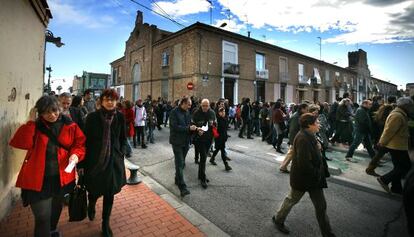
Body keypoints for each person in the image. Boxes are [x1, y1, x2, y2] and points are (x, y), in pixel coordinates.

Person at [9, 95, 85, 237]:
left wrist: (76, 154)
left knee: (55, 211)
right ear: (40, 112)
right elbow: (20, 143)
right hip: (38, 181)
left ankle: (52, 231)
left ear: (60, 109)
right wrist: (31, 122)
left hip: (62, 178)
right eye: (46, 112)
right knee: (42, 218)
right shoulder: (35, 126)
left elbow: (79, 144)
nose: (52, 115)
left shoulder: (70, 125)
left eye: (55, 110)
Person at [273, 113, 335, 237]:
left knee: (321, 207)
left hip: (314, 180)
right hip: (303, 178)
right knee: (291, 200)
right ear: (309, 125)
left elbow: (314, 154)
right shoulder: (302, 138)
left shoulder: (311, 135)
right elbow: (304, 163)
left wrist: (319, 149)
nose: (319, 124)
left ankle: (327, 233)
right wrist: (317, 173)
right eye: (317, 122)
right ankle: (278, 219)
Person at [77, 89, 127, 237]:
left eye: (113, 99)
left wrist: (121, 152)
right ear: (102, 101)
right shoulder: (92, 117)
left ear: (116, 101)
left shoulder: (120, 117)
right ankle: (91, 203)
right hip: (95, 162)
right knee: (93, 190)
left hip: (113, 162)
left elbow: (123, 138)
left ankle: (105, 223)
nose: (110, 102)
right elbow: (84, 141)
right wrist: (81, 164)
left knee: (109, 192)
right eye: (107, 99)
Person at [377, 97, 413, 194]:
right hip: (396, 146)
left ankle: (396, 188)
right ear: (405, 106)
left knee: (398, 167)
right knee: (406, 166)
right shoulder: (397, 115)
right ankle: (384, 179)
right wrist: (382, 142)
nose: (411, 108)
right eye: (410, 106)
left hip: (398, 145)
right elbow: (389, 131)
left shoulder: (401, 114)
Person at [169, 96, 197, 197]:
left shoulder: (187, 112)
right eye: (188, 104)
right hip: (177, 142)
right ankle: (182, 187)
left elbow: (189, 124)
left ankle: (177, 179)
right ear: (183, 103)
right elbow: (175, 127)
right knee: (179, 163)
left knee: (182, 162)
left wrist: (194, 128)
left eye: (190, 104)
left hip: (186, 142)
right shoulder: (174, 112)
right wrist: (188, 128)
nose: (190, 106)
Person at [192, 99, 216, 189]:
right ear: (200, 105)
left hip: (209, 139)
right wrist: (197, 130)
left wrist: (214, 136)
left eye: (206, 105)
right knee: (203, 158)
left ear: (209, 105)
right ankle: (203, 178)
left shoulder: (212, 113)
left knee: (204, 157)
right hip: (200, 139)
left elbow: (214, 124)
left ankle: (200, 175)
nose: (205, 107)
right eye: (203, 106)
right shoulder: (196, 113)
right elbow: (192, 126)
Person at [279, 103, 309, 173]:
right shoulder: (296, 116)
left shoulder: (298, 115)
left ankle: (284, 166)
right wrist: (294, 139)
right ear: (302, 109)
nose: (307, 111)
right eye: (306, 109)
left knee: (292, 153)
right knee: (291, 153)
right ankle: (283, 167)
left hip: (295, 137)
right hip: (295, 137)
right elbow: (294, 129)